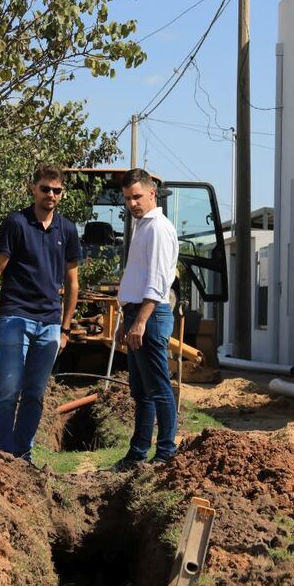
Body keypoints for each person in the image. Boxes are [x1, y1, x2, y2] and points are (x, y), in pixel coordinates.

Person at [0, 165, 81, 463]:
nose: (51, 195)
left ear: (62, 193)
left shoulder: (67, 230)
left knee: (34, 393)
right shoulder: (15, 224)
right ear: (33, 189)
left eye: (57, 190)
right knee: (8, 388)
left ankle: (22, 454)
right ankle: (2, 451)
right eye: (45, 189)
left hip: (50, 323)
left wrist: (65, 328)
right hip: (15, 316)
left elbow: (72, 282)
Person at [111, 168, 179, 471]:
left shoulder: (158, 228)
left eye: (137, 196)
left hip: (150, 314)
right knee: (142, 390)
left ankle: (166, 453)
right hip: (137, 312)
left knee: (159, 388)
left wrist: (139, 321)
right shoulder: (142, 226)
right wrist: (125, 321)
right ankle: (138, 452)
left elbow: (158, 281)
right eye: (127, 198)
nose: (132, 203)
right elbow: (136, 278)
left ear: (152, 193)